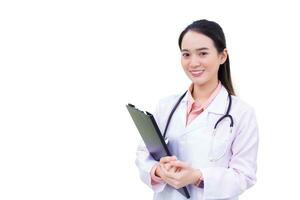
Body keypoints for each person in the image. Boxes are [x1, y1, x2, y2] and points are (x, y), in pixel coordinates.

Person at [135, 19, 259, 200]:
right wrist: (159, 171)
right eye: (186, 54)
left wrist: (196, 177)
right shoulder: (166, 106)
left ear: (222, 56)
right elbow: (143, 154)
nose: (193, 63)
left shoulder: (242, 113)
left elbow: (244, 176)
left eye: (202, 53)